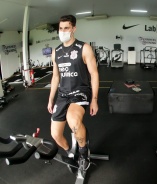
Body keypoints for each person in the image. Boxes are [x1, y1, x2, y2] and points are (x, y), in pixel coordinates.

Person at [47, 15, 99, 170]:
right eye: (61, 28)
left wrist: (95, 99)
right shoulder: (56, 52)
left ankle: (84, 153)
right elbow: (56, 77)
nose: (63, 31)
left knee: (73, 121)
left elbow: (94, 74)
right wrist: (50, 99)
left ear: (73, 29)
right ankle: (71, 152)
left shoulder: (84, 48)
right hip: (63, 95)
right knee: (55, 135)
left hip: (80, 92)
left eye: (66, 28)